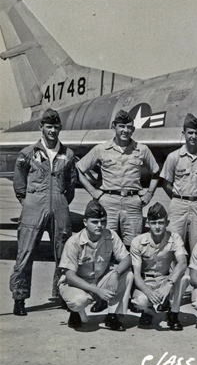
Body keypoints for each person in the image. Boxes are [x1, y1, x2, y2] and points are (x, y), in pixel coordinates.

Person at [10, 108, 77, 316]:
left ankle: (63, 294)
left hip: (59, 206)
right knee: (25, 252)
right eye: (49, 126)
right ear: (42, 127)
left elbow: (71, 185)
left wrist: (61, 202)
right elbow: (19, 183)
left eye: (56, 127)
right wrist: (29, 201)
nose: (53, 131)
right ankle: (19, 297)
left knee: (64, 254)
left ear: (60, 128)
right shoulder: (28, 153)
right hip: (34, 207)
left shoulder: (68, 155)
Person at [76, 109, 160, 248]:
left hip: (133, 202)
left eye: (129, 127)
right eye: (121, 126)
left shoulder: (142, 149)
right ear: (114, 127)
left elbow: (156, 171)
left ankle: (131, 269)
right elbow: (78, 168)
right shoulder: (101, 149)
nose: (125, 130)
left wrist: (149, 194)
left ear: (133, 129)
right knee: (106, 242)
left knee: (134, 244)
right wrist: (93, 192)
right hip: (108, 202)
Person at [58, 200, 134, 331]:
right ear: (85, 222)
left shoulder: (110, 236)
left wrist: (115, 274)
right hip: (76, 284)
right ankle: (75, 312)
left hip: (99, 280)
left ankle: (112, 316)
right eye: (95, 222)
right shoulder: (74, 242)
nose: (100, 226)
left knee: (127, 275)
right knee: (78, 301)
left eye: (103, 221)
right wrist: (98, 291)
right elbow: (70, 276)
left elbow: (127, 258)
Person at [160, 113, 197, 252]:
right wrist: (178, 197)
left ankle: (195, 272)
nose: (193, 136)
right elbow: (166, 184)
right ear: (184, 133)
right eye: (190, 133)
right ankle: (175, 272)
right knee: (175, 242)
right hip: (178, 204)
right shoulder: (174, 157)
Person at [130, 203, 188, 330]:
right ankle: (148, 312)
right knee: (141, 301)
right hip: (146, 281)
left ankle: (173, 314)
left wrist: (168, 284)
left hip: (165, 279)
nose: (157, 226)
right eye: (153, 223)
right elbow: (136, 275)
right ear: (147, 223)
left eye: (161, 223)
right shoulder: (138, 242)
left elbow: (183, 262)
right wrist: (148, 292)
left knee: (184, 278)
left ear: (167, 223)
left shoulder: (174, 237)